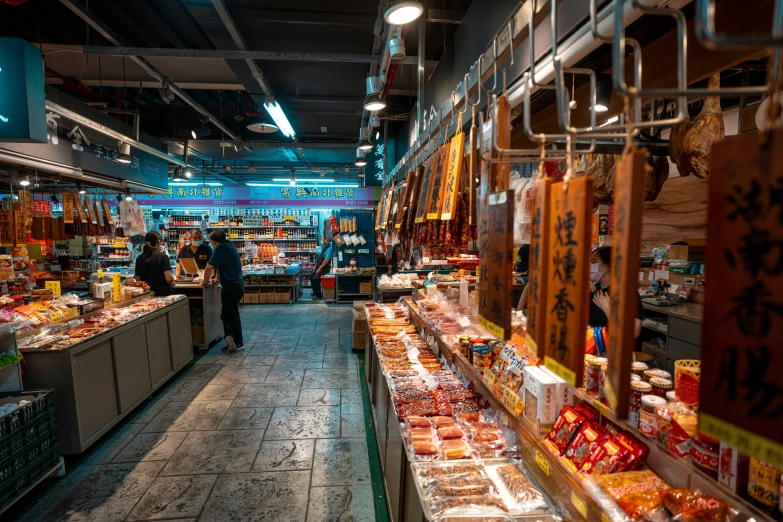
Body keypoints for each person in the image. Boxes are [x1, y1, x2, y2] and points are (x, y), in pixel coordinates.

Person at [201, 230, 245, 352]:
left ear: (214, 242)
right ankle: (231, 337)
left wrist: (205, 282)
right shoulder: (229, 245)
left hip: (230, 286)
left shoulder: (220, 249)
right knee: (228, 314)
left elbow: (209, 267)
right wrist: (217, 277)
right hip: (237, 284)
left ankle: (238, 341)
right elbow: (225, 265)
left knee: (231, 315)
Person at [589, 246, 643, 338]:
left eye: (594, 262)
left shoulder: (626, 293)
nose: (590, 266)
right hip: (594, 348)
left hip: (616, 349)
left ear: (609, 266)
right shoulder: (592, 289)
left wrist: (606, 307)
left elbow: (634, 332)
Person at [135, 232, 176, 296]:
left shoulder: (139, 258)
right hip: (162, 295)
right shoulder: (163, 256)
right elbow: (169, 279)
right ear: (159, 242)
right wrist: (173, 282)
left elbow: (137, 279)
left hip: (145, 295)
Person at [311, 233, 334, 300]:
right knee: (311, 277)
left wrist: (319, 269)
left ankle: (318, 295)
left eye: (322, 238)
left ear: (326, 240)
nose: (321, 239)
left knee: (315, 279)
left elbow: (326, 260)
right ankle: (315, 292)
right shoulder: (325, 247)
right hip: (319, 266)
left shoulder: (329, 248)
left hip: (324, 267)